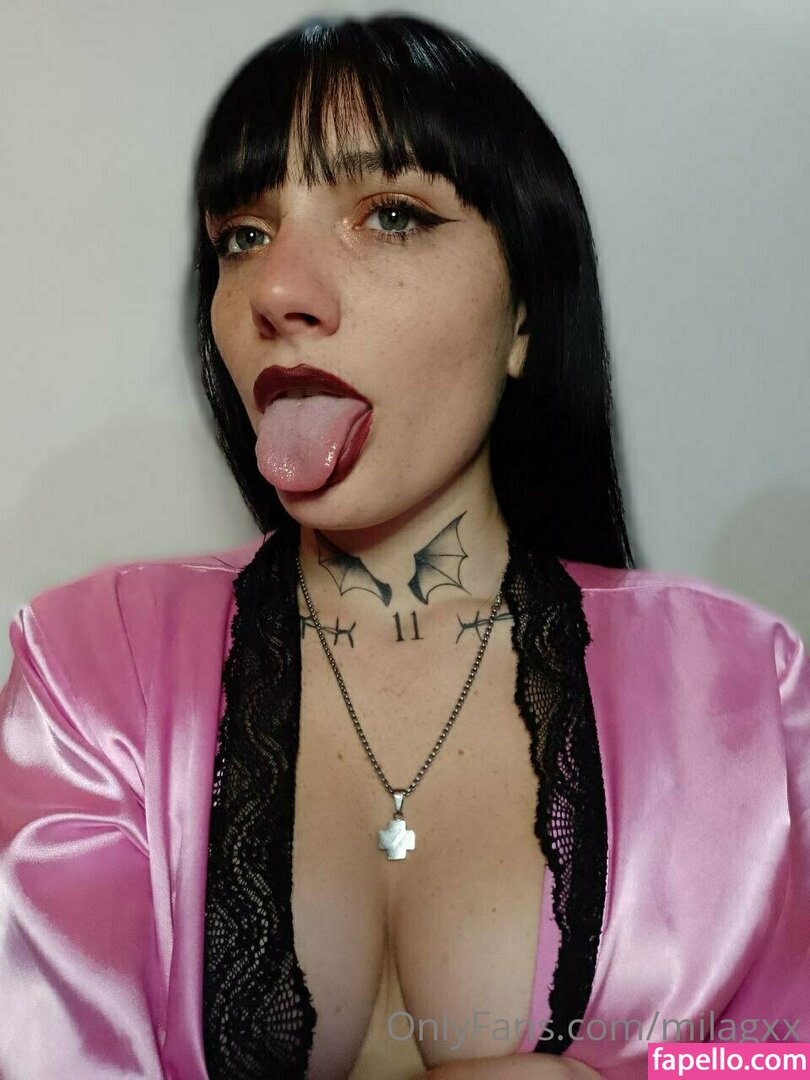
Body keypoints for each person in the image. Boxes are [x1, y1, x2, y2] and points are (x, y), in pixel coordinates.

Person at [0, 13, 807, 1080]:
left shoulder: (744, 682)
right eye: (243, 236)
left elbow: (785, 1057)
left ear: (524, 317)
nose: (277, 292)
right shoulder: (91, 670)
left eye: (390, 216)